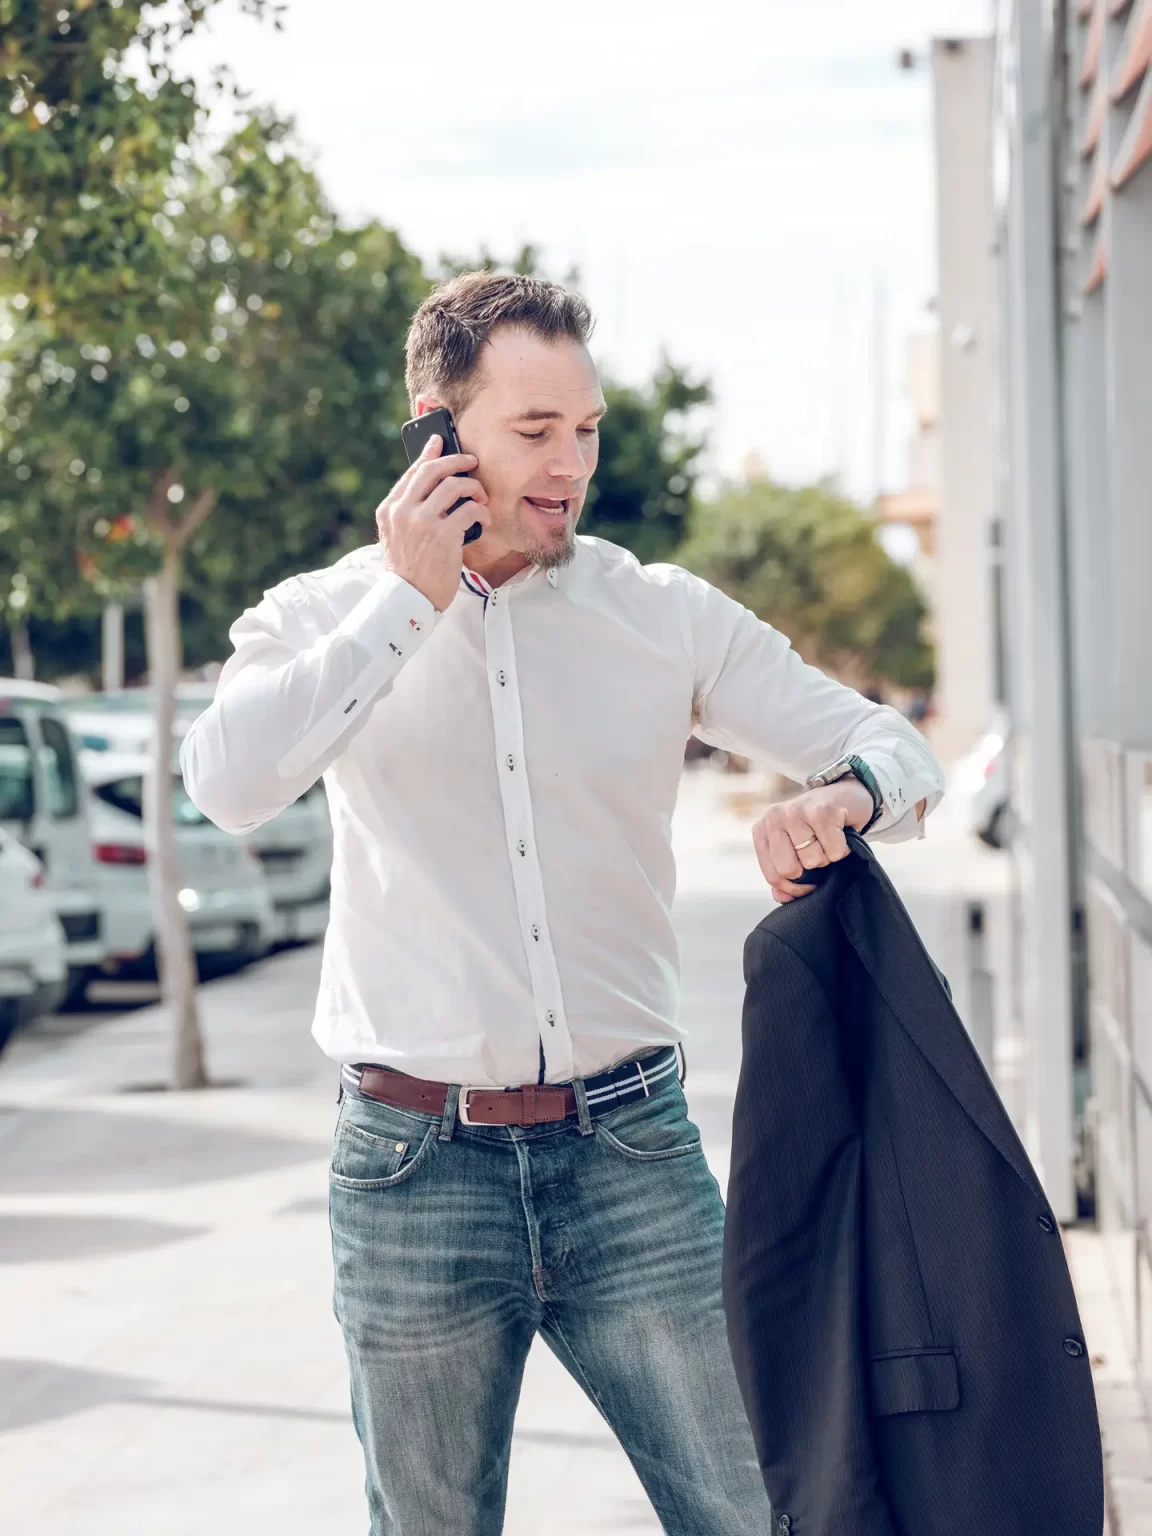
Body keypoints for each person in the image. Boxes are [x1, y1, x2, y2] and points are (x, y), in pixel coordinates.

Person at [181, 272, 945, 1536]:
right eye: (534, 432)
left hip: (633, 1156)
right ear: (439, 429)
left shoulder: (659, 616)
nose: (569, 465)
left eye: (584, 430)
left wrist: (852, 797)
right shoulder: (321, 619)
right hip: (411, 1171)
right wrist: (412, 598)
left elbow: (888, 743)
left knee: (764, 1514)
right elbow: (227, 785)